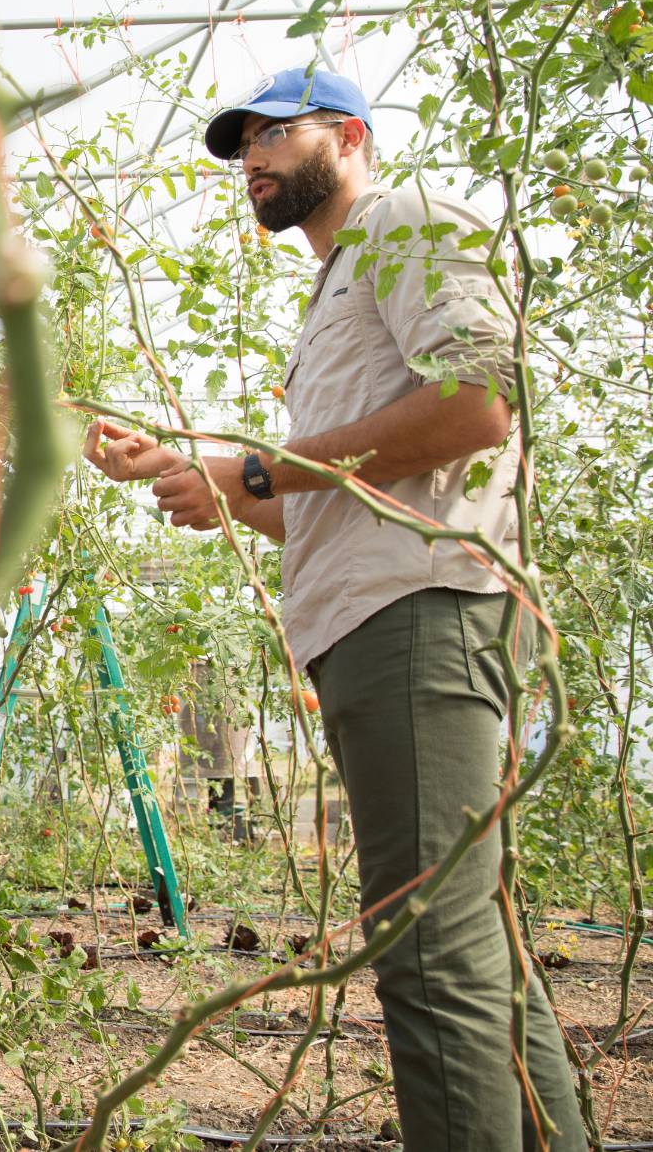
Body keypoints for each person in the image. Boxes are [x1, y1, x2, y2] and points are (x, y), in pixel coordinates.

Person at [84, 67, 584, 1152]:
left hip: (418, 618)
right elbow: (339, 500)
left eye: (271, 136)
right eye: (238, 148)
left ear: (348, 138)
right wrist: (210, 476)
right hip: (380, 621)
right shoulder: (336, 296)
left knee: (429, 953)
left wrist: (255, 469)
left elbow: (475, 402)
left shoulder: (402, 224)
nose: (249, 160)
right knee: (469, 948)